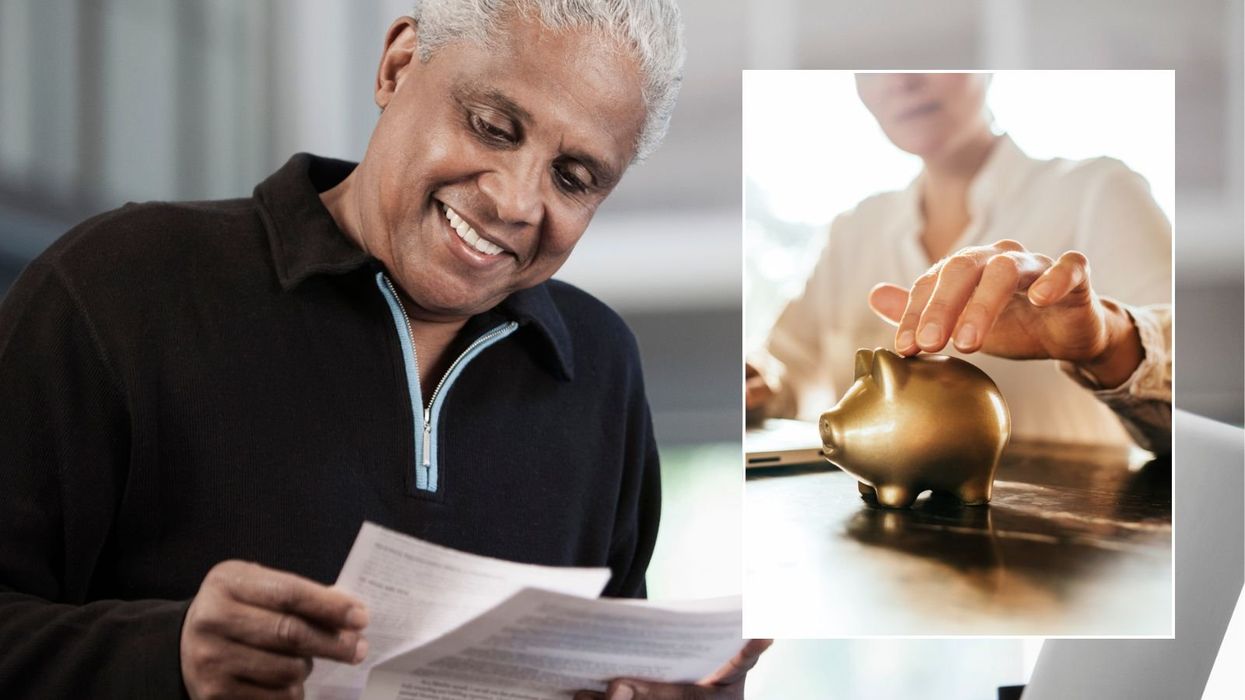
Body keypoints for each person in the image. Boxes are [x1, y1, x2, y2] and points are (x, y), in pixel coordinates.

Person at [0, 2, 766, 698]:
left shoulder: (599, 369)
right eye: (493, 126)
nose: (513, 201)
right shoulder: (122, 284)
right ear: (398, 65)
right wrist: (163, 659)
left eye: (573, 178)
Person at [746, 73, 1172, 453]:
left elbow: (1197, 419)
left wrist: (1105, 344)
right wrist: (758, 384)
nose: (901, 78)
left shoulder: (1098, 192)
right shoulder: (854, 230)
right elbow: (786, 374)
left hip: (1071, 534)